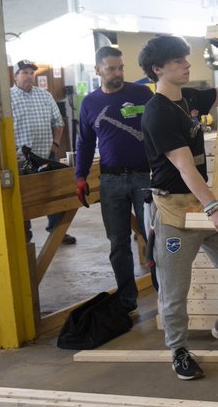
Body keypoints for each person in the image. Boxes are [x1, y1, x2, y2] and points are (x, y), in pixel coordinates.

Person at [138, 35, 218, 380]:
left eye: (184, 58)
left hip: (203, 202)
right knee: (175, 288)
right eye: (177, 61)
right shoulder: (157, 114)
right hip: (176, 211)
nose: (186, 64)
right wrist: (213, 207)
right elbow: (184, 167)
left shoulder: (191, 97)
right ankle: (178, 349)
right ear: (158, 69)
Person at [74, 46, 154, 312]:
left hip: (145, 177)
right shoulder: (89, 103)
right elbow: (85, 142)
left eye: (120, 67)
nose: (118, 73)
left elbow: (158, 129)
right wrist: (80, 176)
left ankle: (164, 296)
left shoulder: (142, 94)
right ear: (98, 70)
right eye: (111, 68)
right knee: (118, 243)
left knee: (153, 237)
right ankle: (126, 301)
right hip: (111, 182)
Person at [10, 59, 75, 245]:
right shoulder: (8, 99)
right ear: (15, 76)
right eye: (24, 73)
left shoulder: (45, 96)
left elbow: (58, 122)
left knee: (54, 192)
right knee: (22, 197)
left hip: (47, 155)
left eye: (31, 73)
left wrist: (54, 144)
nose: (29, 76)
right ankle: (24, 235)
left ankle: (57, 231)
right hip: (21, 159)